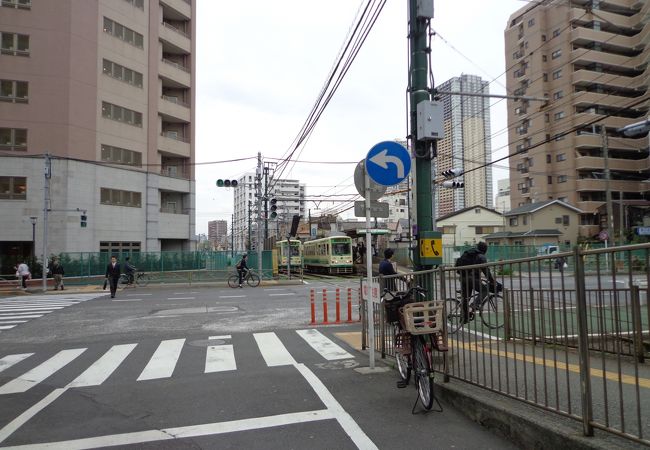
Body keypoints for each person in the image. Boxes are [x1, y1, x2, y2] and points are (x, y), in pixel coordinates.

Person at [457, 242, 495, 324]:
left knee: (466, 298)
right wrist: (492, 281)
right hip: (471, 278)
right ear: (485, 250)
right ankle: (474, 306)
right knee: (484, 290)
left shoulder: (470, 253)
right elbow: (486, 271)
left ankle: (464, 317)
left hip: (463, 277)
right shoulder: (481, 256)